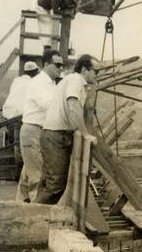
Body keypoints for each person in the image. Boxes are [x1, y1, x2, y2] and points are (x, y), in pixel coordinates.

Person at [36, 54, 97, 205]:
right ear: (84, 70)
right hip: (56, 136)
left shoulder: (73, 81)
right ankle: (35, 216)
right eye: (96, 71)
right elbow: (73, 107)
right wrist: (85, 134)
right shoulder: (76, 80)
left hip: (53, 134)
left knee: (48, 183)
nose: (98, 75)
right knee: (55, 185)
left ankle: (33, 214)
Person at [16, 50, 63, 203]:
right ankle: (37, 212)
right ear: (47, 64)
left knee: (28, 173)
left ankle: (20, 207)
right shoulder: (38, 82)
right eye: (57, 65)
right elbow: (49, 105)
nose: (61, 68)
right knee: (37, 177)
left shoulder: (51, 84)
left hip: (40, 132)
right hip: (33, 131)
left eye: (62, 65)